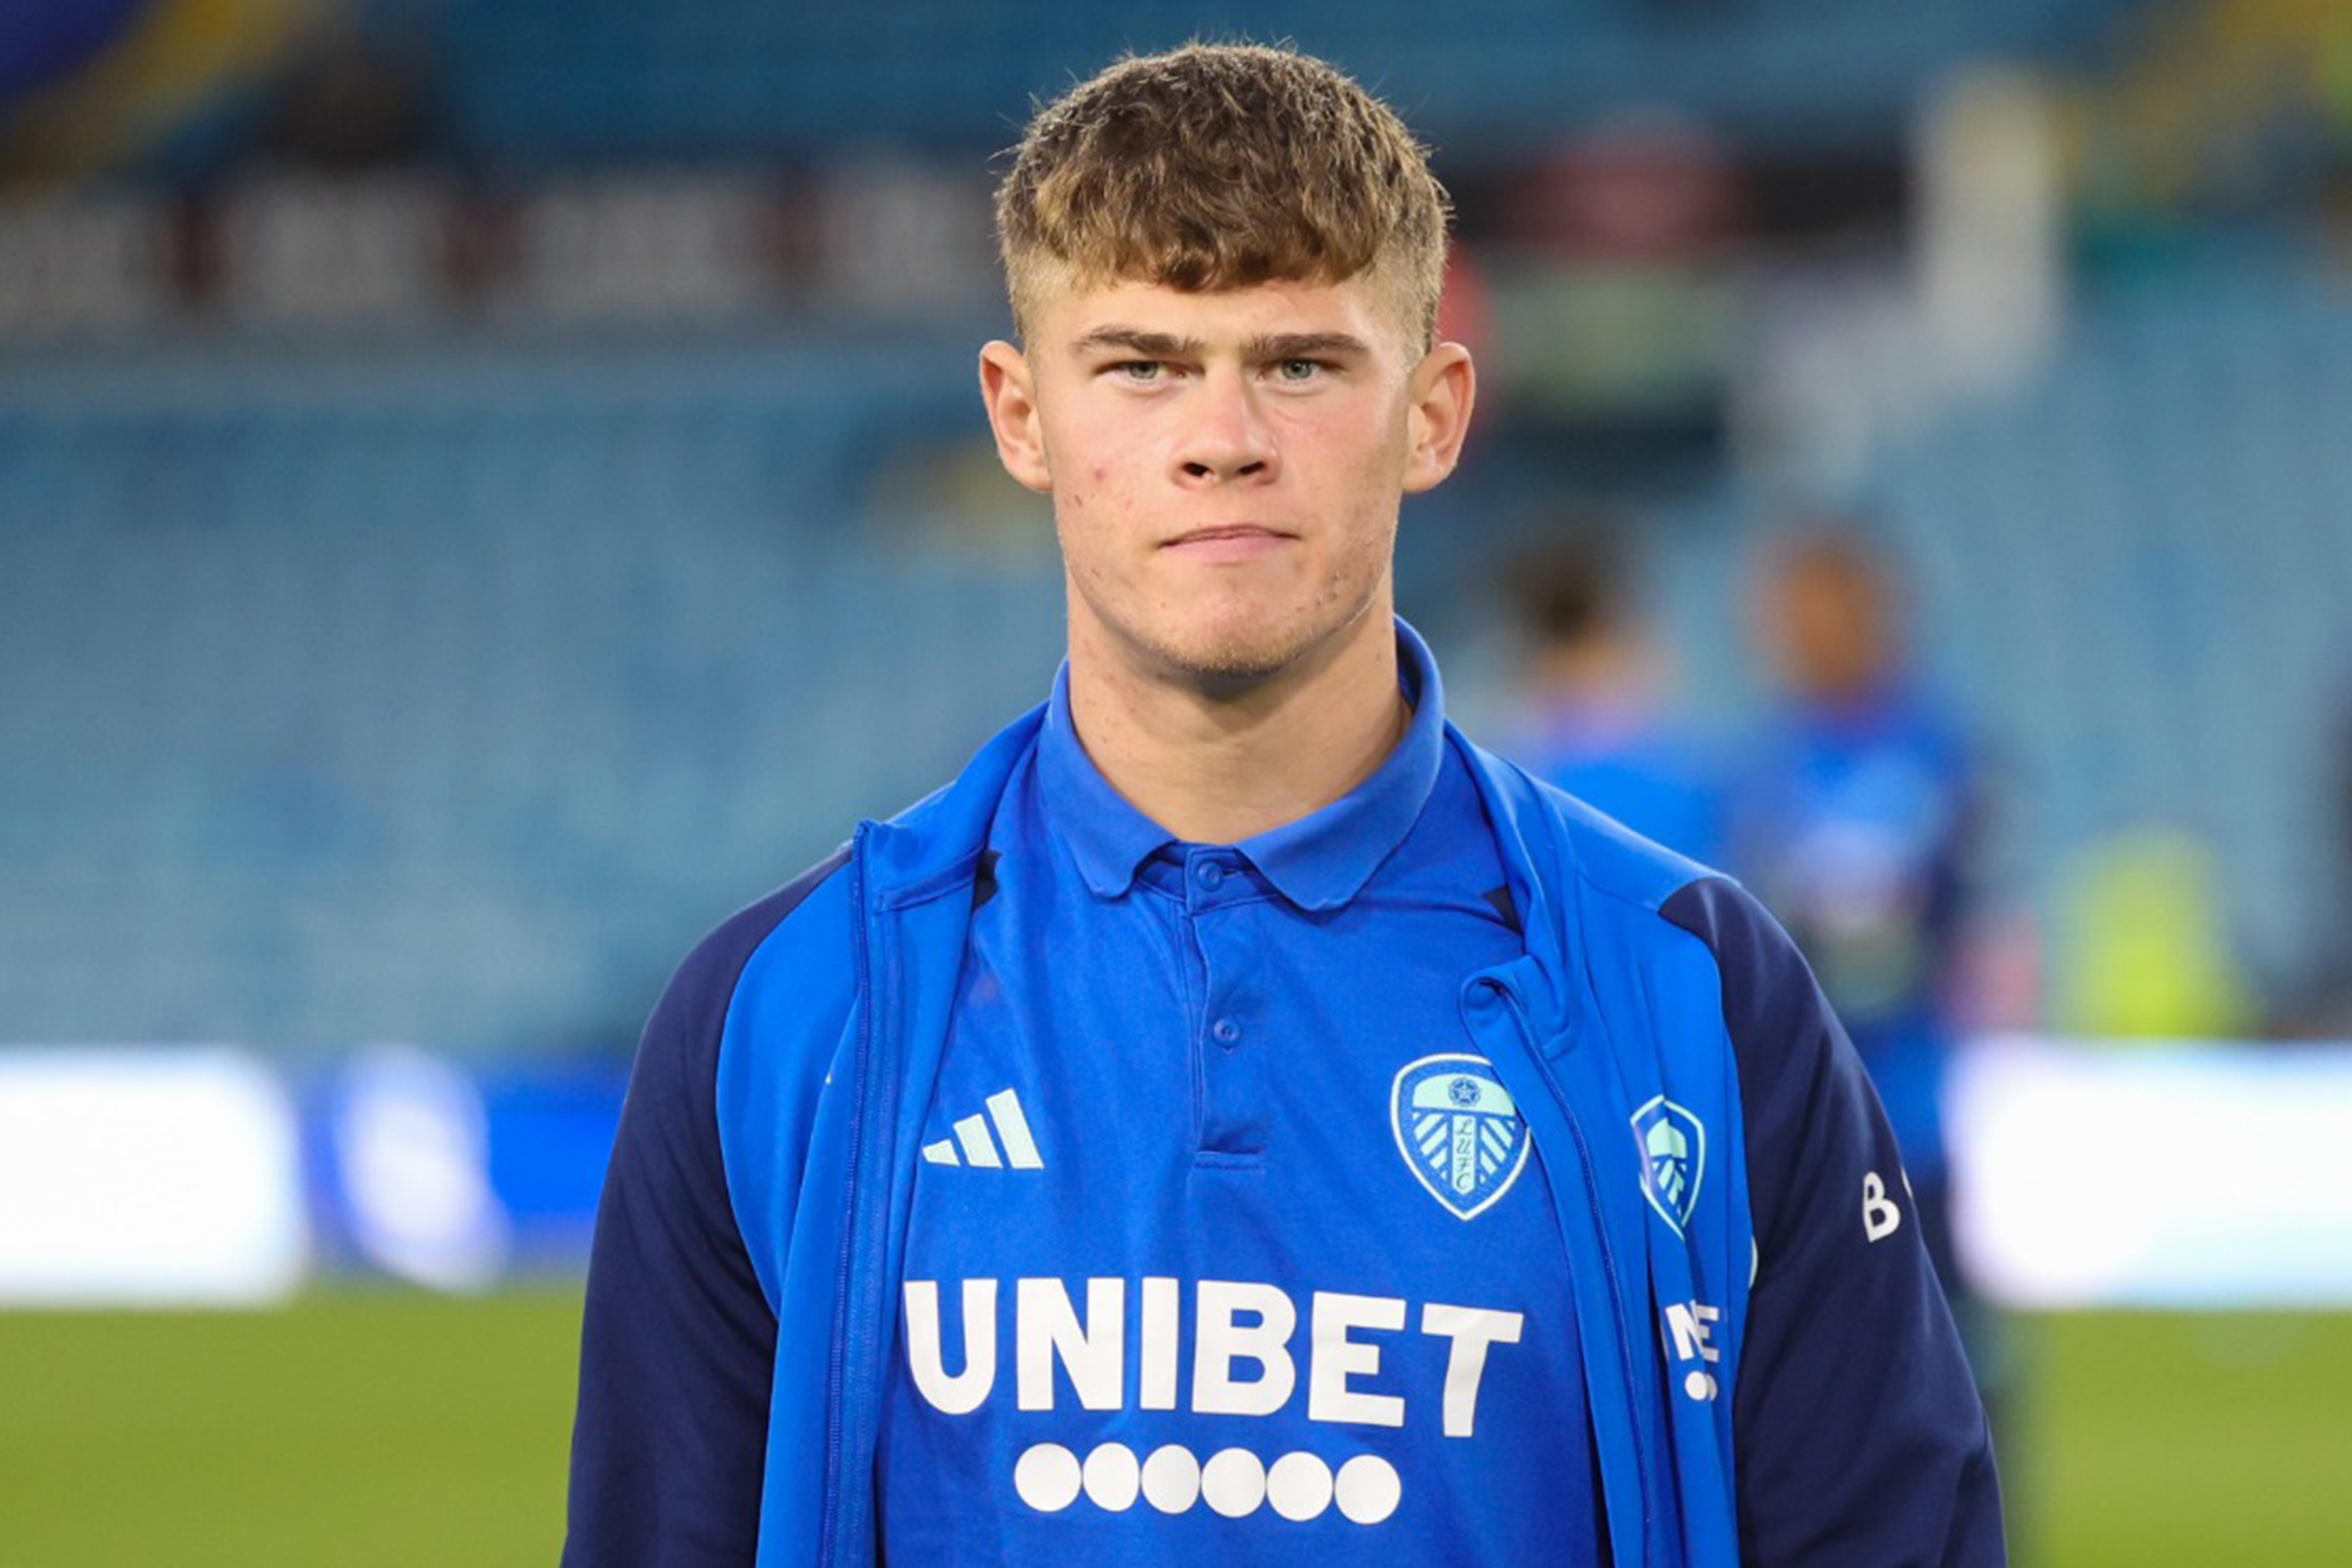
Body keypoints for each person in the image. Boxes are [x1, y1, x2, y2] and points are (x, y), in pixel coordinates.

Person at [562, 45, 2001, 1567]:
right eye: (1141, 365)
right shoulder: (781, 1014)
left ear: (1435, 412)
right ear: (1020, 414)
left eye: (1302, 365)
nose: (1222, 438)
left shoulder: (1700, 998)